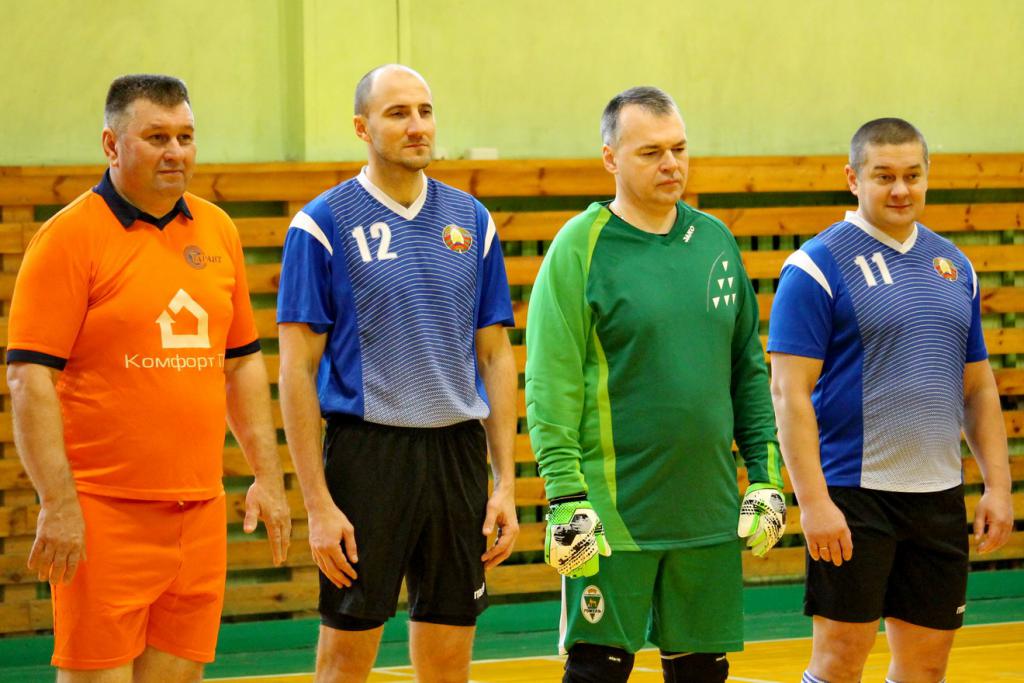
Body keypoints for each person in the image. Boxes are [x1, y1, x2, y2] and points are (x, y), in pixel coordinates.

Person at [6, 74, 291, 682]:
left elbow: (241, 361)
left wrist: (267, 477)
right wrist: (59, 504)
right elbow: (29, 379)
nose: (175, 152)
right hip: (104, 516)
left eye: (185, 137)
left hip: (199, 513)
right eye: (157, 137)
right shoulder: (68, 238)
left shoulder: (218, 230)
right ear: (112, 145)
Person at [525, 86, 785, 683]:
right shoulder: (578, 248)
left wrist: (766, 476)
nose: (671, 164)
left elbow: (747, 369)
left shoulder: (716, 241)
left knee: (702, 672)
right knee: (597, 670)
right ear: (611, 158)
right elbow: (550, 383)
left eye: (679, 149)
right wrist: (564, 495)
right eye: (651, 152)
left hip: (706, 511)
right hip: (612, 514)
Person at [276, 64, 520, 683]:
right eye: (398, 113)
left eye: (425, 111)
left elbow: (495, 356)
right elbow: (297, 370)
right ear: (362, 128)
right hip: (368, 457)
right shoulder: (322, 223)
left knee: (449, 664)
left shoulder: (472, 220)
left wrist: (505, 483)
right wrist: (317, 505)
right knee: (344, 662)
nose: (417, 126)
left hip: (457, 456)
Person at [768, 117, 1014, 683]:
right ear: (853, 178)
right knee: (839, 662)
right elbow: (788, 394)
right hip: (854, 497)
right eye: (884, 176)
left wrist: (998, 487)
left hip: (937, 499)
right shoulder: (815, 266)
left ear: (927, 176)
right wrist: (814, 503)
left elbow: (978, 388)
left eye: (912, 175)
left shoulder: (954, 265)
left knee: (925, 668)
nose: (900, 189)